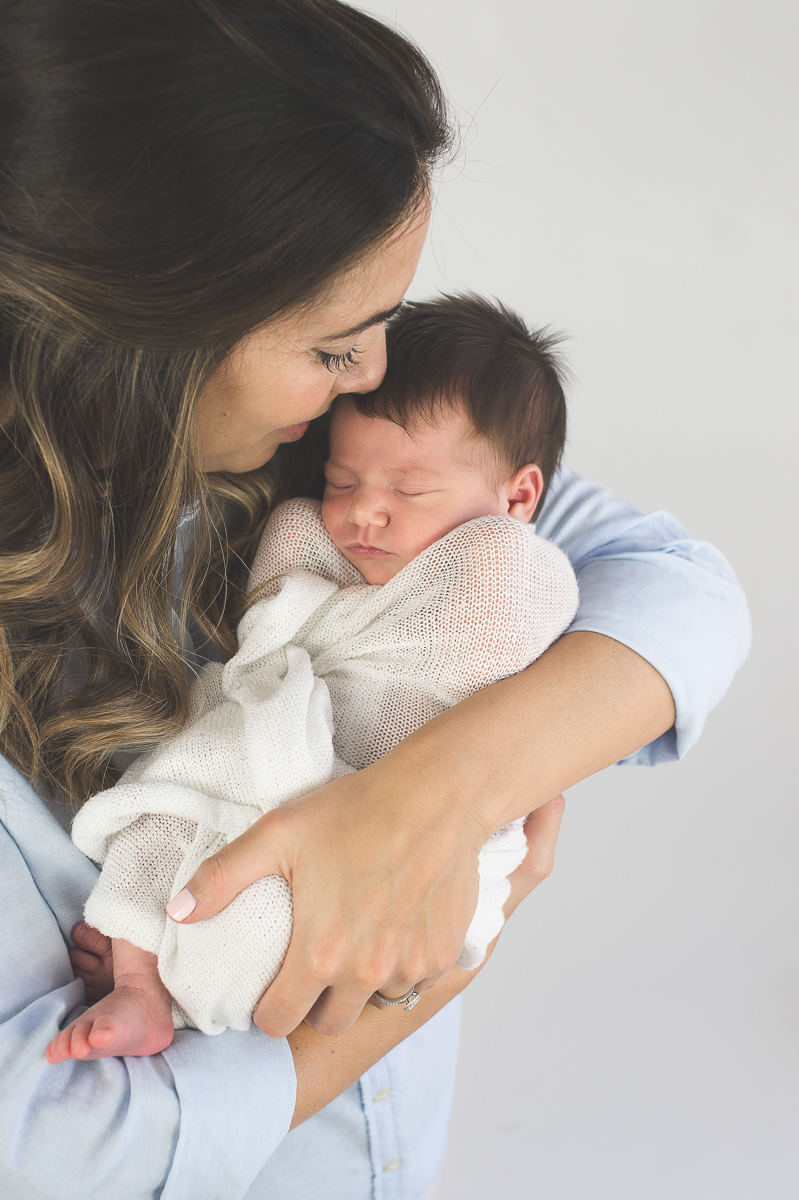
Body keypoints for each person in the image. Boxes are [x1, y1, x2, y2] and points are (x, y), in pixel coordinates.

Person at [0, 2, 750, 1197]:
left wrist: (436, 799)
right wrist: (431, 971)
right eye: (334, 345)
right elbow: (51, 1152)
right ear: (145, 335)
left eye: (380, 329)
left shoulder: (333, 472)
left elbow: (679, 589)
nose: (374, 381)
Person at [47, 294, 581, 1060]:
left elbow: (652, 592)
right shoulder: (326, 527)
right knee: (167, 807)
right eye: (339, 482)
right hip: (278, 749)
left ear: (519, 496)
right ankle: (141, 982)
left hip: (399, 805)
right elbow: (271, 646)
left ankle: (192, 980)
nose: (363, 513)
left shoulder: (504, 566)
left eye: (408, 490)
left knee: (271, 901)